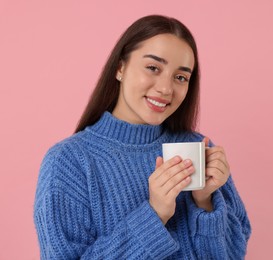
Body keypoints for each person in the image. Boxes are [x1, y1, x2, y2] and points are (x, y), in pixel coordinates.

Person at [34, 14, 251, 259]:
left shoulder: (200, 150)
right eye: (153, 68)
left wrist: (205, 202)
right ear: (120, 68)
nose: (166, 88)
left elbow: (234, 254)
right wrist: (154, 214)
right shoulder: (69, 162)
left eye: (180, 77)